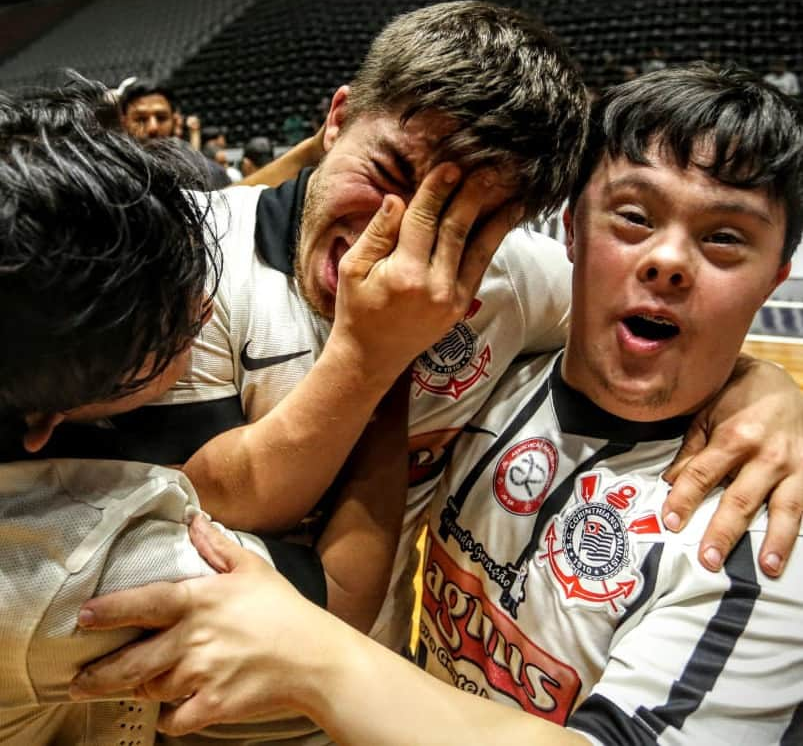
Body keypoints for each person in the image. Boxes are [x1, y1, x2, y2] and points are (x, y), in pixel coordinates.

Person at [72, 64, 803, 745]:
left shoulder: (764, 533)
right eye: (634, 217)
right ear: (573, 231)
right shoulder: (506, 378)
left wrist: (771, 388)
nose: (667, 259)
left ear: (777, 275)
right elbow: (210, 489)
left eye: (724, 237)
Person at [0, 77, 505, 745]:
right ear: (47, 420)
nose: (203, 303)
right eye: (168, 327)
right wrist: (379, 354)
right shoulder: (82, 566)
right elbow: (335, 603)